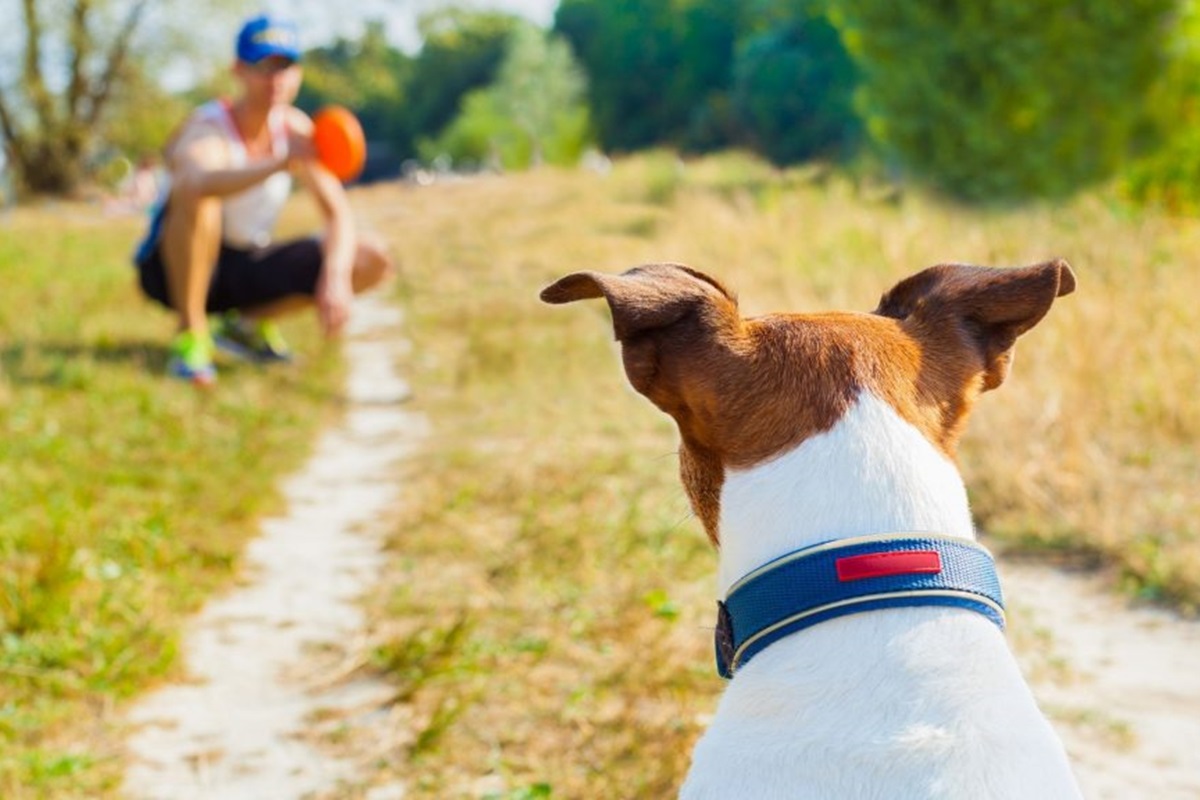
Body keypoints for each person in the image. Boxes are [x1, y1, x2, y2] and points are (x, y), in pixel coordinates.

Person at [133, 13, 393, 385]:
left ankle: (243, 327)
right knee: (200, 197)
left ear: (298, 73)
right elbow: (196, 180)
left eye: (284, 67)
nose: (275, 79)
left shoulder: (297, 129)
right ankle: (191, 336)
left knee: (370, 259)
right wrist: (277, 164)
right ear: (238, 70)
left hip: (247, 261)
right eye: (263, 67)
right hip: (174, 268)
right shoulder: (208, 126)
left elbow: (338, 214)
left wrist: (335, 277)